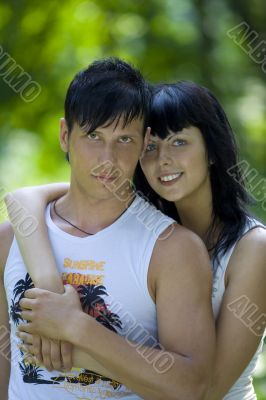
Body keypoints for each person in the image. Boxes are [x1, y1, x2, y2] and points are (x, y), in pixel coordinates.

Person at [9, 80, 266, 400]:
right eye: (151, 147)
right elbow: (29, 198)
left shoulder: (252, 248)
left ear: (212, 151)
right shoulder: (153, 232)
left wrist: (73, 349)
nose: (164, 160)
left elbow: (206, 390)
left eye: (179, 142)